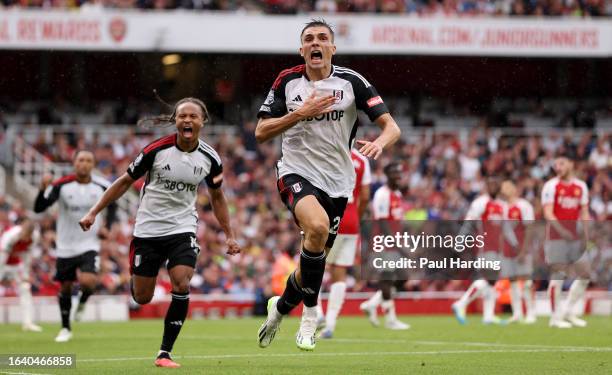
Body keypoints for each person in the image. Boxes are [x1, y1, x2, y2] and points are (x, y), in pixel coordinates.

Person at [256, 19, 401, 351]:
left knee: (311, 258)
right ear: (302, 49)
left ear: (332, 48)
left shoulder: (352, 82)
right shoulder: (287, 81)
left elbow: (392, 126)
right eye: (309, 39)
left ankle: (278, 309)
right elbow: (261, 132)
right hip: (295, 171)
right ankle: (309, 318)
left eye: (322, 38)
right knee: (317, 228)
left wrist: (381, 142)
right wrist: (300, 113)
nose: (315, 43)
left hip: (338, 181)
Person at [79, 97, 241, 368]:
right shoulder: (155, 150)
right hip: (148, 230)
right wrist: (94, 211)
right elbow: (124, 182)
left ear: (203, 121)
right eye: (182, 116)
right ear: (175, 121)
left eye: (193, 116)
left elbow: (218, 197)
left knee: (182, 283)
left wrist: (230, 234)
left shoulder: (211, 159)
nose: (187, 120)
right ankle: (138, 276)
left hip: (182, 228)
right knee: (142, 297)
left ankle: (164, 353)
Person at [34, 150, 112, 342]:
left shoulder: (102, 186)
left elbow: (114, 205)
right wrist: (41, 189)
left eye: (88, 160)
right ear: (74, 163)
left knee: (88, 282)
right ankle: (65, 328)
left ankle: (83, 301)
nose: (84, 164)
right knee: (66, 287)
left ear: (93, 164)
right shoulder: (61, 185)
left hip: (89, 243)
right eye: (80, 160)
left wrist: (107, 227)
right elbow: (39, 207)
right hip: (65, 246)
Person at [317, 148, 372, 338]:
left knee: (312, 264)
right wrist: (356, 215)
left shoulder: (328, 151)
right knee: (339, 275)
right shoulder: (361, 160)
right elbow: (365, 196)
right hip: (351, 221)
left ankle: (317, 314)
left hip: (329, 216)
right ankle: (330, 325)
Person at [359, 162, 409, 330]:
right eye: (394, 173)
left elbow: (397, 221)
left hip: (395, 243)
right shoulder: (382, 194)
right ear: (387, 175)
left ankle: (372, 304)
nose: (398, 176)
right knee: (387, 278)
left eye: (399, 173)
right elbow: (382, 223)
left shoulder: (397, 194)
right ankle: (390, 319)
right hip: (384, 243)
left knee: (403, 277)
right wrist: (398, 245)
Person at [541, 156, 590, 328]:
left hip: (575, 239)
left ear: (571, 164)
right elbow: (548, 212)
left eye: (561, 163)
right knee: (558, 276)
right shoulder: (551, 186)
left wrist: (586, 234)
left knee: (585, 274)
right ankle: (555, 318)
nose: (558, 167)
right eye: (555, 164)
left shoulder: (581, 187)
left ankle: (568, 312)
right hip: (555, 238)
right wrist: (562, 231)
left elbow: (584, 212)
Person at [451, 178, 507, 325]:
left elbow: (505, 229)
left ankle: (488, 316)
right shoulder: (481, 202)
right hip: (485, 246)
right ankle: (461, 303)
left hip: (498, 248)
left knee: (492, 281)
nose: (493, 186)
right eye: (491, 184)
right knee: (489, 278)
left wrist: (513, 244)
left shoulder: (502, 206)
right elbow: (469, 222)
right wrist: (460, 240)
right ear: (487, 187)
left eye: (496, 184)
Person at [500, 180, 536, 324]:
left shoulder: (523, 206)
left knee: (526, 280)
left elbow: (529, 228)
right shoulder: (502, 208)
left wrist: (524, 250)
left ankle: (531, 312)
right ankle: (517, 313)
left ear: (514, 189)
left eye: (508, 187)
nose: (505, 190)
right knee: (512, 281)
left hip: (522, 248)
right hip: (507, 251)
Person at [0, 217, 42, 332]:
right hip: (2, 263)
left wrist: (25, 275)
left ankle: (27, 323)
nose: (25, 238)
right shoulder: (10, 236)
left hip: (15, 265)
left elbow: (27, 256)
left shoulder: (34, 237)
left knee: (25, 289)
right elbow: (2, 258)